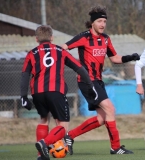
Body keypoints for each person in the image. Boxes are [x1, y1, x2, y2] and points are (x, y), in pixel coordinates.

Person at [61, 5, 139, 155]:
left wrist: (131, 57)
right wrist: (74, 65)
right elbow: (62, 48)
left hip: (98, 81)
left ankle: (70, 136)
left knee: (102, 118)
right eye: (99, 21)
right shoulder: (83, 37)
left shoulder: (105, 39)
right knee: (111, 109)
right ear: (92, 23)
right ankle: (115, 147)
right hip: (87, 81)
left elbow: (115, 58)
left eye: (104, 21)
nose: (103, 24)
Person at [20, 25, 97, 160]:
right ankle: (45, 143)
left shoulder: (31, 53)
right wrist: (91, 86)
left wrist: (23, 96)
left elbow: (25, 75)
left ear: (36, 39)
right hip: (56, 91)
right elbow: (79, 68)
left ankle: (41, 156)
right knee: (63, 124)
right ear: (51, 37)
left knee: (44, 120)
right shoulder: (59, 51)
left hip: (37, 92)